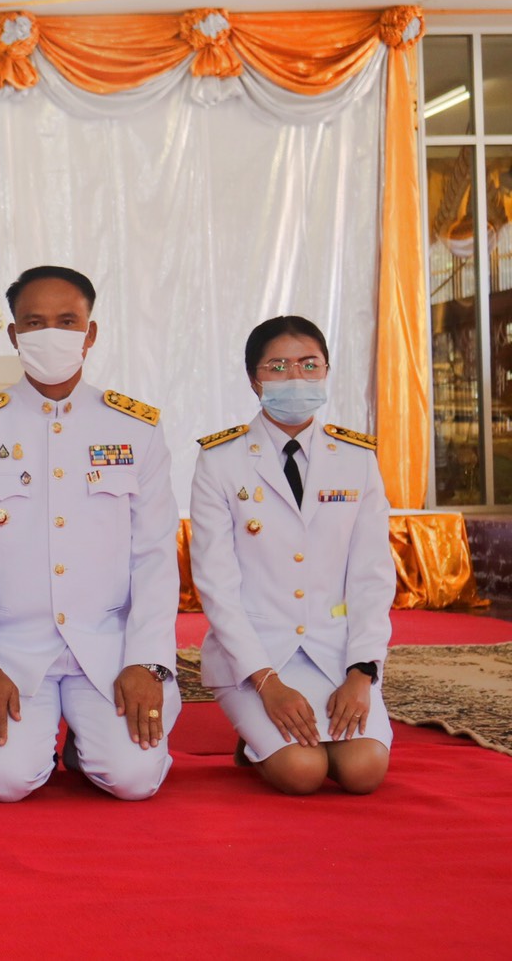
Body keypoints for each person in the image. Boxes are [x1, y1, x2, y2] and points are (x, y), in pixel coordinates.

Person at [0, 265, 180, 802]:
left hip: (109, 646)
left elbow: (156, 555)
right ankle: (41, 742)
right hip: (12, 650)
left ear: (90, 333)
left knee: (133, 779)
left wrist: (146, 660)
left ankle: (82, 745)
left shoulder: (134, 428)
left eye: (68, 321)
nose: (52, 334)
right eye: (35, 322)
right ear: (14, 334)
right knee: (5, 781)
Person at [189, 316, 392, 794]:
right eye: (277, 366)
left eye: (308, 364)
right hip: (256, 656)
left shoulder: (357, 457)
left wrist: (362, 673)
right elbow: (217, 586)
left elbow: (372, 575)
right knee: (302, 773)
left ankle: (272, 738)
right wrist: (268, 684)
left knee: (363, 772)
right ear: (254, 379)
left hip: (334, 652)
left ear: (325, 371)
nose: (295, 377)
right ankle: (254, 738)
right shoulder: (221, 459)